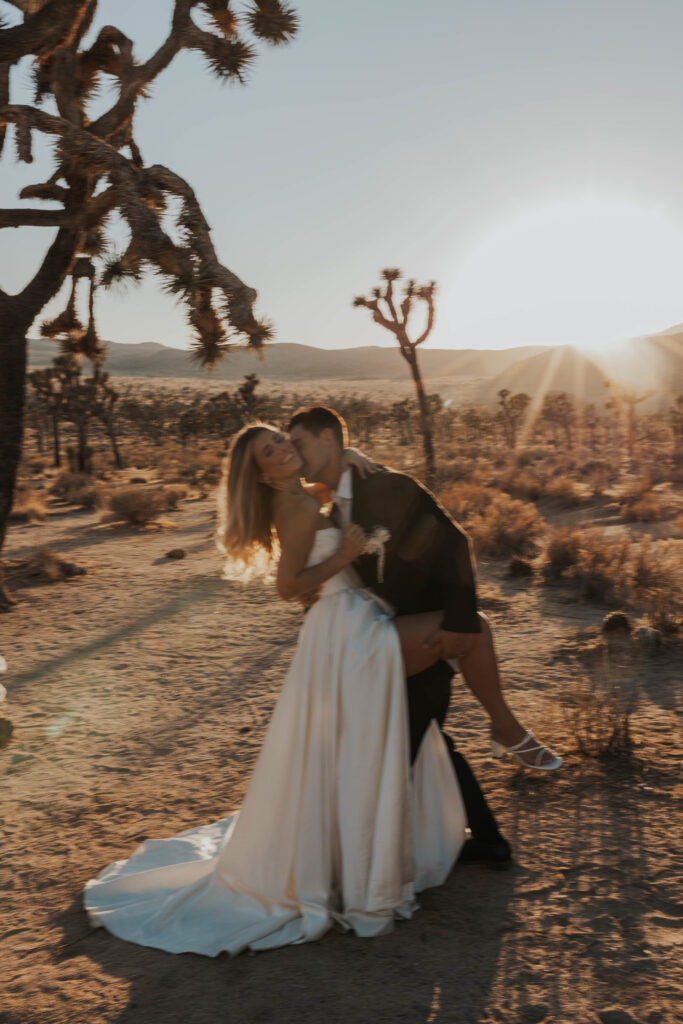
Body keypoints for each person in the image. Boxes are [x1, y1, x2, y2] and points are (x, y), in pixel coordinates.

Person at [83, 424, 470, 957]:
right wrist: (345, 554)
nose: (283, 449)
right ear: (261, 472)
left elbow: (340, 489)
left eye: (281, 440)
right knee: (359, 737)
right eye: (270, 450)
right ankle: (357, 867)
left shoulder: (307, 493)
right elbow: (289, 588)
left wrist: (353, 456)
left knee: (349, 742)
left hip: (351, 621)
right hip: (343, 627)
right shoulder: (293, 507)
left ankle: (358, 855)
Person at [286, 407, 562, 855]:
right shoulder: (326, 505)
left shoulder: (388, 486)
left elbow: (455, 543)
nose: (295, 456)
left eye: (299, 444)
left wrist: (455, 624)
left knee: (412, 738)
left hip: (419, 636)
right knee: (423, 738)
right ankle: (483, 833)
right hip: (373, 637)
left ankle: (371, 850)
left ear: (327, 441)